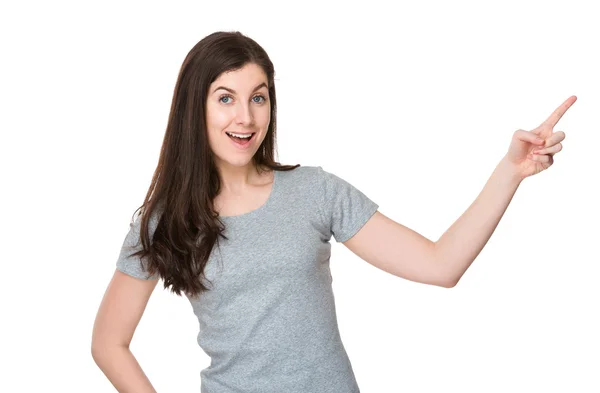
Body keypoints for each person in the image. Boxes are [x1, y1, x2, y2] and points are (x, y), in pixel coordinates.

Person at [91, 31, 576, 393]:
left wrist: (510, 172)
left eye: (258, 97)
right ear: (193, 109)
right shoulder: (163, 222)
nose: (246, 117)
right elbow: (109, 343)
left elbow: (440, 265)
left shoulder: (315, 192)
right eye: (226, 98)